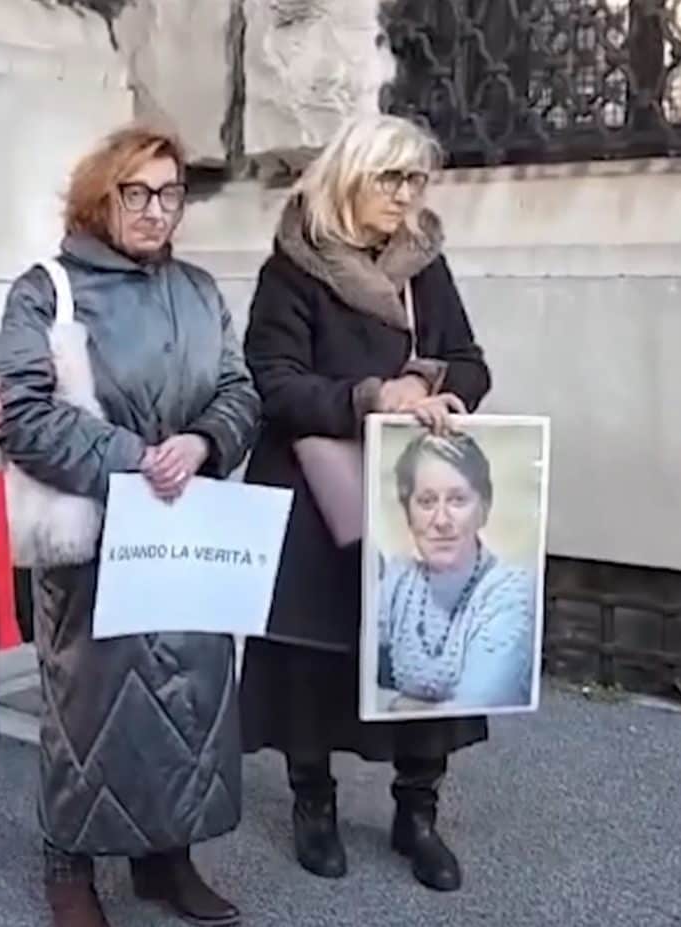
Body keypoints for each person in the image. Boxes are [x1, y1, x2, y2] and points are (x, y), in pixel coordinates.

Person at [0, 124, 260, 927]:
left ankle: (166, 858)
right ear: (99, 197)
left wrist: (203, 440)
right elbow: (22, 412)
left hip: (185, 518)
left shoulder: (202, 291)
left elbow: (241, 389)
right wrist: (133, 456)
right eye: (134, 192)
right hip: (92, 530)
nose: (154, 209)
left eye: (169, 192)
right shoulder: (44, 289)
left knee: (189, 697)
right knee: (86, 705)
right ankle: (67, 864)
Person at [238, 111, 494, 893]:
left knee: (421, 654)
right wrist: (368, 396)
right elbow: (271, 381)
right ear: (351, 176)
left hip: (407, 495)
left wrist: (431, 386)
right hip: (312, 494)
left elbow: (473, 365)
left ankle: (416, 813)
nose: (406, 194)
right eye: (392, 178)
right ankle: (311, 803)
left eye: (416, 180)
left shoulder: (424, 266)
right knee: (311, 663)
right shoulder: (293, 268)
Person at [376, 431, 535, 712]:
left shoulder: (509, 588)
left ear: (484, 509)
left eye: (457, 500)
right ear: (408, 513)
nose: (441, 521)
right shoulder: (397, 579)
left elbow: (479, 700)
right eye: (426, 501)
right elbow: (357, 684)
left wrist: (396, 704)